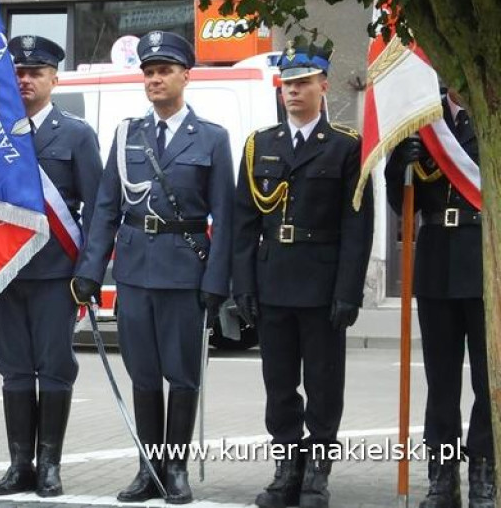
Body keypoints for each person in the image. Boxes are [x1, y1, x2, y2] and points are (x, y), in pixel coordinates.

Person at [72, 31, 234, 504]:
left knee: (182, 376)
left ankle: (176, 467)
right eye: (149, 71)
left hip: (185, 272)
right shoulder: (127, 135)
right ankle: (148, 469)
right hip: (136, 272)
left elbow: (224, 216)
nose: (156, 79)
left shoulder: (211, 138)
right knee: (143, 376)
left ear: (187, 75)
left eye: (165, 70)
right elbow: (105, 207)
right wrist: (89, 269)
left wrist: (216, 280)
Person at [232, 38, 374, 508]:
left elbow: (358, 226)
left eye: (303, 83)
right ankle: (286, 468)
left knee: (323, 382)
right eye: (287, 84)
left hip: (321, 282)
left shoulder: (345, 147)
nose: (293, 92)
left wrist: (348, 291)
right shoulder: (260, 146)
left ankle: (317, 472)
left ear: (323, 86)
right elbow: (244, 223)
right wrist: (244, 285)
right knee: (278, 383)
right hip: (273, 281)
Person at [0, 35, 102, 498]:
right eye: (19, 72)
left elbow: (97, 206)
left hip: (56, 273)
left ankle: (49, 465)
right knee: (14, 369)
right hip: (6, 272)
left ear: (55, 78)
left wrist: (87, 272)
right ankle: (20, 465)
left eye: (36, 72)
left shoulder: (76, 134)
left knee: (53, 368)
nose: (26, 79)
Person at [385, 88, 495, 508]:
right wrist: (401, 165)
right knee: (441, 382)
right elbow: (401, 201)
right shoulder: (424, 121)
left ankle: (484, 473)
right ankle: (442, 476)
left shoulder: (492, 114)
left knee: (487, 381)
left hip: (484, 258)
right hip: (435, 261)